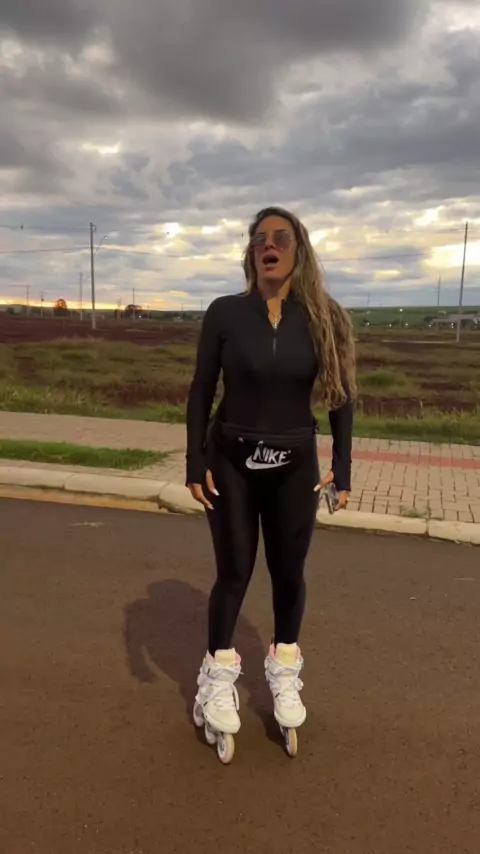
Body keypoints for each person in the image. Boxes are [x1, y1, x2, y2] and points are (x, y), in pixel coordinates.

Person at [186, 206, 356, 758]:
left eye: (281, 238)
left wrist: (343, 467)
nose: (269, 245)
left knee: (288, 572)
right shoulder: (225, 313)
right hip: (231, 461)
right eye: (260, 238)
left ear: (298, 249)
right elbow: (201, 388)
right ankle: (215, 680)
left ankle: (284, 672)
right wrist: (194, 459)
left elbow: (341, 396)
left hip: (294, 466)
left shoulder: (325, 317)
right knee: (234, 570)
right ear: (251, 253)